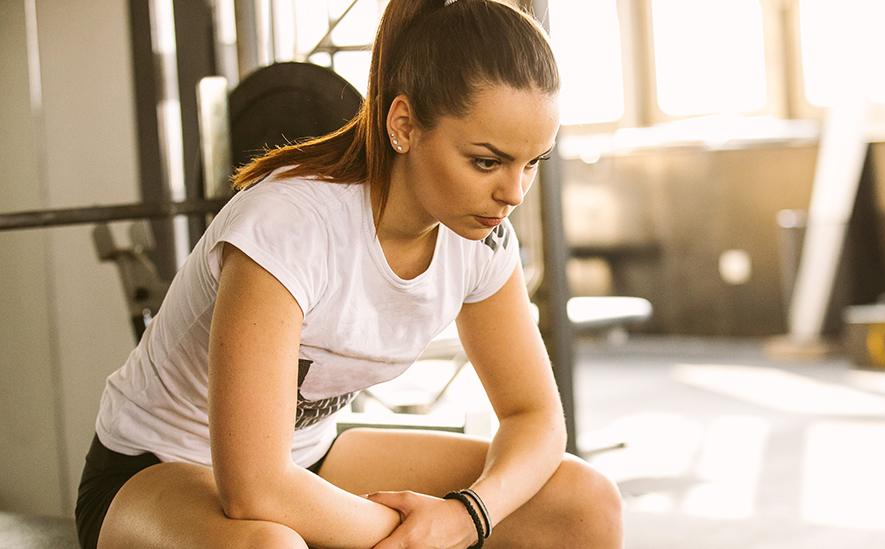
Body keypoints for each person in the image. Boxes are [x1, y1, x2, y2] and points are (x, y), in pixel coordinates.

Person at [74, 0, 623, 547]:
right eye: (486, 161)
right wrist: (417, 536)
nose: (513, 193)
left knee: (583, 500)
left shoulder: (477, 236)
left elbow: (534, 416)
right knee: (273, 546)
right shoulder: (290, 224)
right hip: (152, 469)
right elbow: (253, 490)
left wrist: (467, 516)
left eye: (532, 162)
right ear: (404, 125)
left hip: (308, 459)